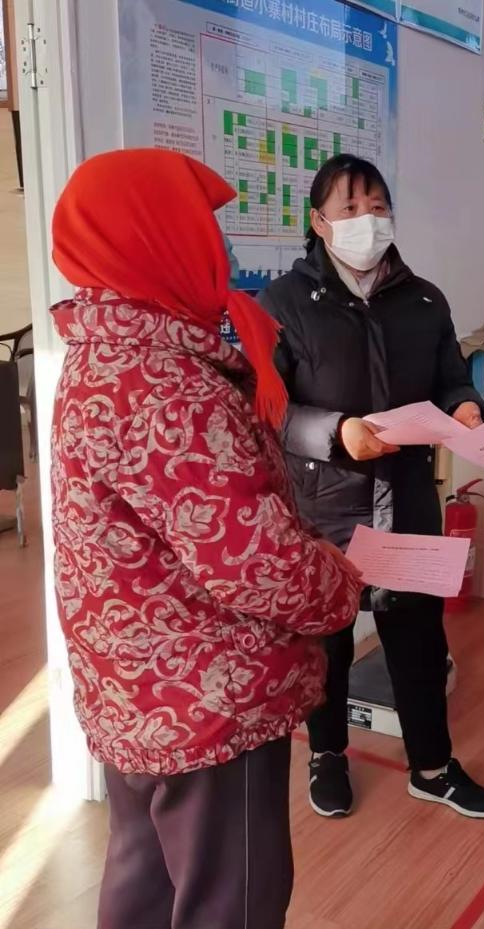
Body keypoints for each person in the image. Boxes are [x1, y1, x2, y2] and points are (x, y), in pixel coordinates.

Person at [50, 149, 364, 929]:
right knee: (232, 901)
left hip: (137, 684)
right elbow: (254, 562)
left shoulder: (101, 356)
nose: (219, 249)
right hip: (209, 698)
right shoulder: (167, 386)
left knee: (144, 880)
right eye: (202, 227)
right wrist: (339, 578)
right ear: (153, 237)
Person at [259, 155, 484, 820]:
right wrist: (338, 432)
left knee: (419, 638)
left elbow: (452, 377)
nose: (367, 220)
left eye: (378, 207)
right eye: (350, 208)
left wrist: (465, 406)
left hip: (408, 495)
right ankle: (326, 754)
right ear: (318, 221)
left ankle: (433, 767)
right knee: (329, 641)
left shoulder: (424, 300)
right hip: (325, 503)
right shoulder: (283, 303)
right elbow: (267, 408)